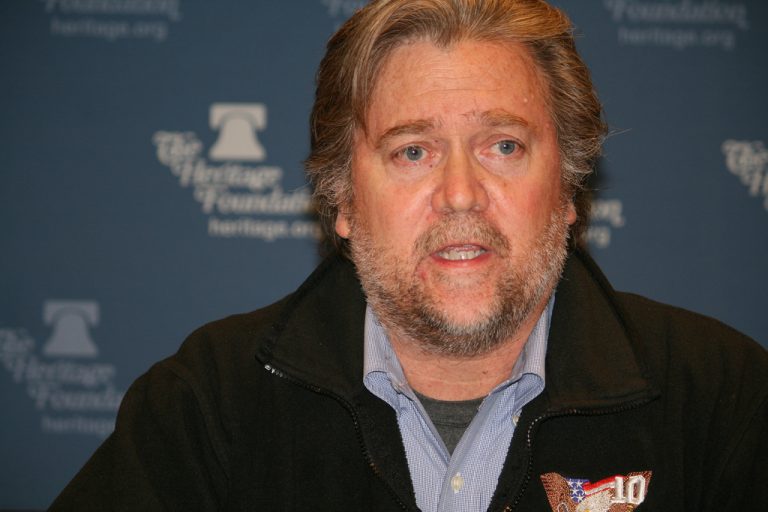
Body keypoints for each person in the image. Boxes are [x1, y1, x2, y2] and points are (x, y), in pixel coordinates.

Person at [51, 0, 767, 510]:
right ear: (343, 199)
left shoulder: (723, 399)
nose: (460, 195)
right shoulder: (207, 405)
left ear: (569, 187)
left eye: (504, 146)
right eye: (412, 151)